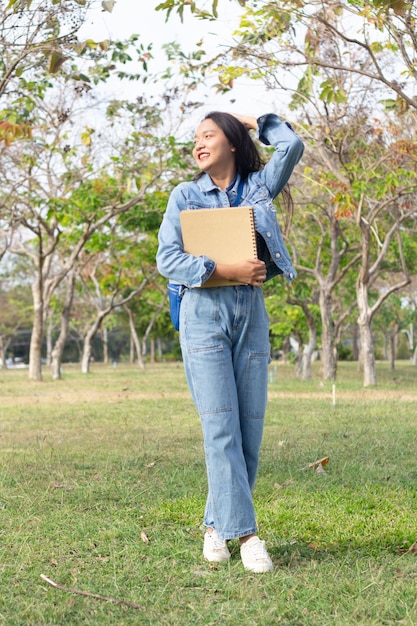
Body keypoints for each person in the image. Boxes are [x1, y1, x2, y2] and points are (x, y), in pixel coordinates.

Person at [156, 111, 304, 573]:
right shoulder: (184, 194)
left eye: (209, 134)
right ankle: (247, 536)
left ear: (233, 143)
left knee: (249, 430)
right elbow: (168, 258)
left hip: (250, 315)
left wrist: (257, 120)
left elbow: (292, 147)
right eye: (195, 138)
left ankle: (215, 524)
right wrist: (225, 270)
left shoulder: (258, 186)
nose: (199, 143)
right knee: (220, 426)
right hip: (203, 315)